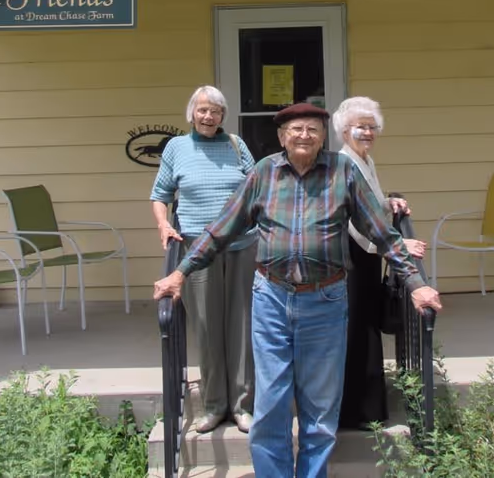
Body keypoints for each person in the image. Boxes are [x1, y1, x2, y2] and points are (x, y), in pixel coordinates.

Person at [154, 102, 442, 478]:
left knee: (320, 408)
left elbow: (383, 234)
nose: (304, 135)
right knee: (271, 403)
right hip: (271, 298)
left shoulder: (343, 171)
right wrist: (180, 272)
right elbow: (220, 230)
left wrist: (416, 285)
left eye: (312, 129)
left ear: (324, 136)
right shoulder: (263, 173)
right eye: (296, 129)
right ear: (281, 136)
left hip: (326, 300)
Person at [150, 85, 257, 434]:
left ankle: (242, 406)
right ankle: (214, 406)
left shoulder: (236, 145)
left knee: (241, 324)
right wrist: (164, 223)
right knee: (207, 326)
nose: (209, 116)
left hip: (241, 245)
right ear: (192, 113)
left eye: (215, 111)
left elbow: (257, 189)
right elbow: (160, 194)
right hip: (197, 249)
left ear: (223, 116)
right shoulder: (176, 148)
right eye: (203, 110)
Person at [333, 96, 427, 430]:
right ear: (345, 130)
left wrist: (389, 203)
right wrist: (395, 246)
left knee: (368, 328)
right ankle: (353, 413)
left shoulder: (365, 161)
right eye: (361, 126)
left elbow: (369, 206)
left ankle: (370, 410)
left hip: (370, 256)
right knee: (356, 332)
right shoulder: (343, 163)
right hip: (354, 259)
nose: (368, 132)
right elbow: (352, 222)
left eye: (372, 127)